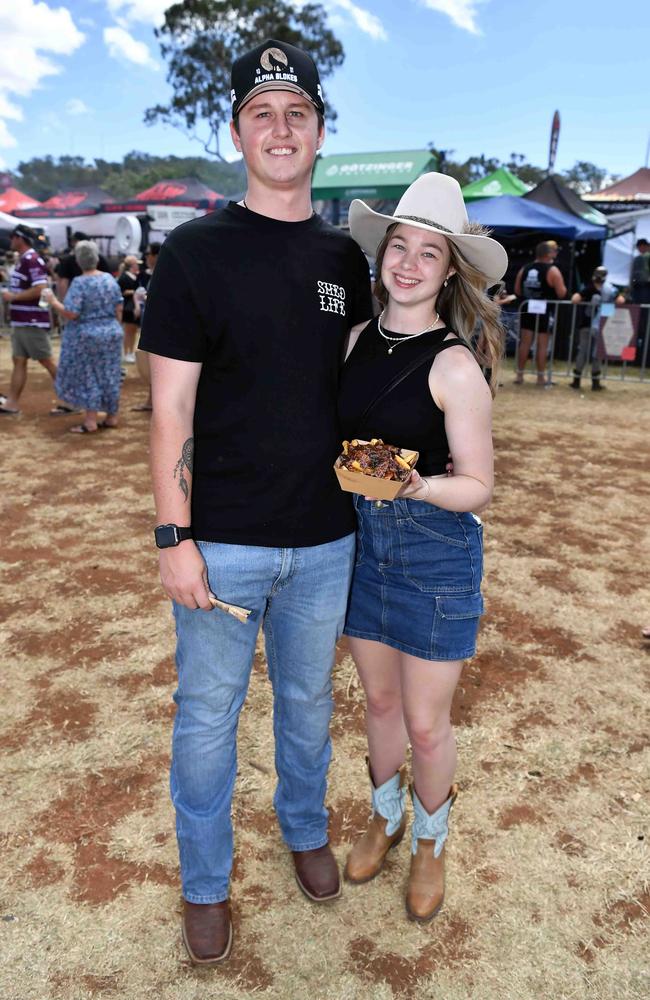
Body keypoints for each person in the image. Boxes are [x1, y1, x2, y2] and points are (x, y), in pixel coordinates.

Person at [138, 39, 372, 965]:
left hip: (325, 539)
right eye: (262, 113)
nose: (281, 128)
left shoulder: (346, 258)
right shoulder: (196, 253)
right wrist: (173, 535)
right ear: (237, 132)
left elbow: (359, 389)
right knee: (206, 718)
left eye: (297, 113)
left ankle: (305, 828)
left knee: (310, 703)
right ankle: (205, 884)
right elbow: (171, 411)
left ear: (319, 133)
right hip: (222, 542)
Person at [338, 172, 507, 923]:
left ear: (448, 271)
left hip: (436, 553)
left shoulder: (455, 364)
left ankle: (432, 839)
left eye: (428, 253)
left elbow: (478, 486)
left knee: (427, 722)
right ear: (382, 258)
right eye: (398, 247)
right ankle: (386, 813)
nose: (408, 263)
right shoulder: (349, 342)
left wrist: (417, 488)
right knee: (376, 701)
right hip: (360, 547)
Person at [43, 241, 124, 433]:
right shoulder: (109, 279)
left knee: (89, 376)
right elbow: (118, 307)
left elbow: (71, 312)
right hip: (111, 332)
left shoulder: (80, 282)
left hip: (86, 336)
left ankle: (90, 421)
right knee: (110, 373)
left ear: (79, 261)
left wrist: (53, 301)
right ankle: (112, 416)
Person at [0, 225, 63, 415]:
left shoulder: (32, 260)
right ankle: (11, 403)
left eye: (13, 236)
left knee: (47, 361)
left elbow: (40, 288)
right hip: (23, 321)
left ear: (20, 238)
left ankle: (72, 400)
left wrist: (13, 297)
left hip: (31, 320)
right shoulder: (25, 260)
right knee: (19, 360)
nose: (10, 240)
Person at [514, 240, 566, 386]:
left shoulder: (524, 268)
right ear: (548, 254)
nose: (555, 254)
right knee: (542, 345)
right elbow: (562, 293)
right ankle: (540, 377)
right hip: (544, 310)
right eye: (554, 251)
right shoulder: (552, 270)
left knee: (525, 343)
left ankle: (520, 375)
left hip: (527, 308)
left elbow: (518, 291)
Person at [570, 266, 625, 391]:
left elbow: (574, 299)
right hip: (602, 325)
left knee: (582, 351)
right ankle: (595, 383)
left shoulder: (588, 288)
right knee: (597, 354)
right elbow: (621, 300)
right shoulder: (610, 290)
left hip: (587, 325)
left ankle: (576, 381)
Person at [55, 231, 110, 300]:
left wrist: (62, 302)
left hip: (76, 300)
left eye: (74, 241)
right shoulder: (100, 259)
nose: (72, 243)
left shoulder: (77, 282)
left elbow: (63, 283)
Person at [117, 254, 142, 363]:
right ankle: (126, 352)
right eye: (136, 264)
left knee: (134, 331)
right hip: (128, 307)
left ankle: (131, 352)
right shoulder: (123, 277)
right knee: (128, 331)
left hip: (135, 306)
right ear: (132, 265)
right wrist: (133, 292)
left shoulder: (136, 276)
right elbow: (120, 292)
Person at [630, 238, 650, 305]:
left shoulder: (638, 258)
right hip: (641, 286)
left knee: (640, 307)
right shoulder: (637, 258)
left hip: (644, 286)